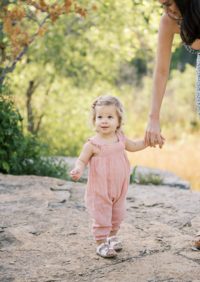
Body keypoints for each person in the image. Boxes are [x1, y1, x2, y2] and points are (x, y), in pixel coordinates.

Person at [70, 95, 165, 258]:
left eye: (109, 117)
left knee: (117, 214)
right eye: (100, 117)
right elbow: (81, 160)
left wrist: (149, 141)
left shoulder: (120, 138)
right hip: (100, 190)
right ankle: (101, 243)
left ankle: (112, 236)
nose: (104, 121)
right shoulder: (92, 144)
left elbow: (134, 145)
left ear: (118, 121)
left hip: (119, 189)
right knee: (102, 216)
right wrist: (78, 169)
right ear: (94, 120)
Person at [144, 0, 200, 249]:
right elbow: (161, 71)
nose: (166, 9)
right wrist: (153, 118)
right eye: (161, 4)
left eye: (168, 2)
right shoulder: (169, 21)